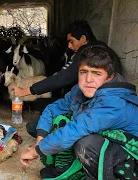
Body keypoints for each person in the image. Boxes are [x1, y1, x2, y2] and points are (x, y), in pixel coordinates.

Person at [20, 46, 138, 179]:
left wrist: (36, 151)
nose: (88, 79)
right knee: (36, 127)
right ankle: (68, 165)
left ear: (109, 77)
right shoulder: (79, 91)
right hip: (98, 137)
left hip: (128, 154)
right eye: (83, 72)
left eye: (96, 73)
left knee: (85, 144)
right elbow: (52, 109)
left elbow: (76, 129)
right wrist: (40, 139)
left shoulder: (114, 102)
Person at [14, 20, 123, 137]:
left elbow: (62, 78)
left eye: (71, 41)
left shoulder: (87, 53)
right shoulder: (104, 49)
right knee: (44, 105)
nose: (69, 46)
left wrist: (25, 91)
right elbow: (64, 76)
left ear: (83, 38)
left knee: (34, 126)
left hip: (93, 110)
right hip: (94, 106)